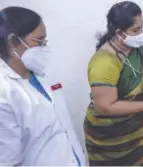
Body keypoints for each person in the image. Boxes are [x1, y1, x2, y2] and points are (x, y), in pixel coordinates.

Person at [83, 1, 143, 166]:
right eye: (136, 30)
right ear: (119, 33)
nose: (141, 33)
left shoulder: (136, 49)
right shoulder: (104, 62)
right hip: (113, 140)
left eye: (142, 27)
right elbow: (106, 106)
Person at [0, 7, 85, 166]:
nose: (44, 47)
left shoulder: (40, 72)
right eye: (40, 41)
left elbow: (61, 125)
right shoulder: (5, 93)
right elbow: (7, 161)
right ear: (13, 42)